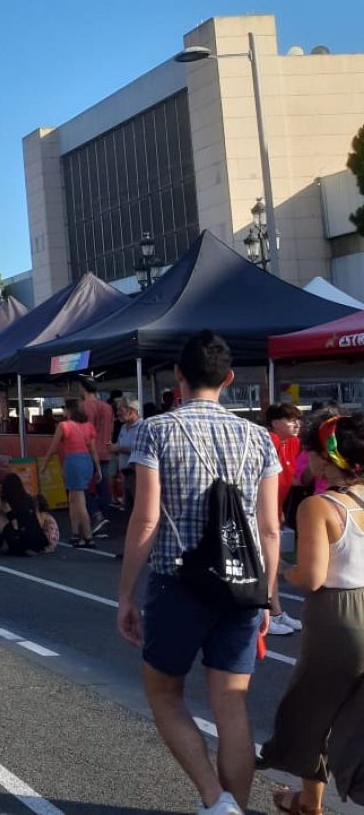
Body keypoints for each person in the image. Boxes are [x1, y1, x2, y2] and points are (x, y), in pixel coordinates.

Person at [116, 331, 282, 815]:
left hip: (178, 581)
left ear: (178, 376)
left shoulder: (156, 430)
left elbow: (146, 519)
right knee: (232, 704)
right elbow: (270, 529)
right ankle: (236, 807)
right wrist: (269, 595)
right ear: (229, 379)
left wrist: (126, 593)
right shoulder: (260, 437)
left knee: (164, 693)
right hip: (242, 585)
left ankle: (216, 799)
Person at [258, 413, 364, 813]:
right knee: (356, 717)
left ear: (326, 459)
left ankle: (309, 804)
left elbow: (311, 578)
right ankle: (308, 800)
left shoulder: (319, 507)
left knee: (309, 712)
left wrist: (283, 569)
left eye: (311, 454)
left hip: (336, 618)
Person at [266, 404, 306, 637]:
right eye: (290, 419)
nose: (297, 424)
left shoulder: (294, 443)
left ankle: (276, 612)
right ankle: (269, 614)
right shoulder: (268, 440)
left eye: (298, 419)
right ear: (274, 423)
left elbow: (295, 480)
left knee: (272, 563)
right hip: (259, 511)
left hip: (274, 509)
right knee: (268, 564)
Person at [41, 403, 101, 548]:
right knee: (74, 499)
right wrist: (97, 468)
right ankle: (76, 534)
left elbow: (53, 447)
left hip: (73, 461)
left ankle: (87, 535)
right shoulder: (88, 426)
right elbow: (93, 450)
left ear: (69, 410)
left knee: (78, 500)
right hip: (86, 461)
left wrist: (44, 464)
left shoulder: (63, 426)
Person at [0, 474, 57, 557]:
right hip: (37, 540)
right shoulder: (29, 499)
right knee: (6, 517)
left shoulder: (5, 502)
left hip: (20, 540)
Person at [79, 377, 118, 524]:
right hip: (106, 451)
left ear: (83, 388)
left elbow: (87, 431)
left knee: (82, 487)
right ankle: (104, 517)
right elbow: (112, 429)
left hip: (90, 451)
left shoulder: (86, 406)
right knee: (104, 487)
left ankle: (96, 514)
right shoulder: (107, 407)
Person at [115, 401, 143, 523]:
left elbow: (140, 449)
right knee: (129, 506)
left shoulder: (142, 427)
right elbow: (120, 445)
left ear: (133, 411)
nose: (118, 414)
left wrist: (119, 448)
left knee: (138, 504)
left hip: (136, 472)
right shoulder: (123, 427)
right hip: (126, 472)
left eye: (121, 411)